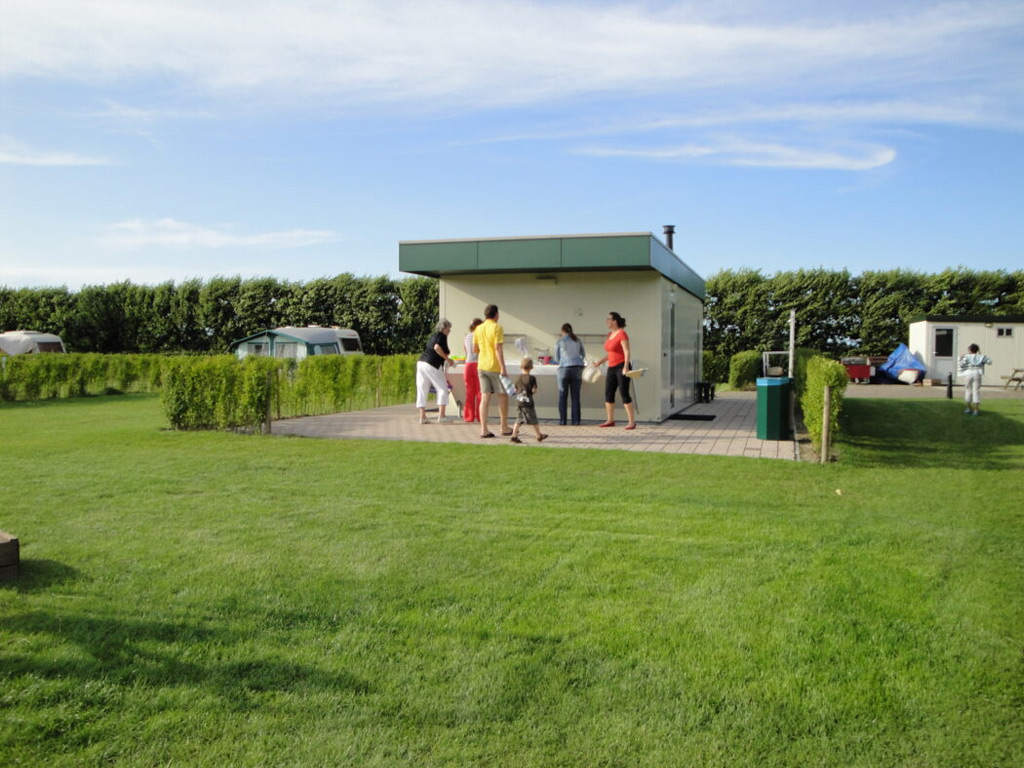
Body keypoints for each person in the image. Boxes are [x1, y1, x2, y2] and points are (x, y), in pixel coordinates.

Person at [591, 311, 636, 430]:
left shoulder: (622, 334)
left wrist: (626, 366)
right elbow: (610, 353)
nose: (607, 321)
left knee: (624, 393)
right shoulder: (609, 334)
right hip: (611, 367)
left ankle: (631, 422)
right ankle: (610, 420)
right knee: (608, 393)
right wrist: (599, 362)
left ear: (614, 321)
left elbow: (626, 351)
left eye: (608, 319)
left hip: (622, 366)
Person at [473, 304, 510, 438]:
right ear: (496, 314)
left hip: (481, 366)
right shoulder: (497, 327)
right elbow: (497, 348)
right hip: (494, 366)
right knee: (502, 396)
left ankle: (484, 429)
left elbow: (475, 350)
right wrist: (503, 367)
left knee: (485, 398)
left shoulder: (478, 328)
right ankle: (504, 426)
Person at [415, 319, 455, 424]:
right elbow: (437, 348)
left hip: (421, 363)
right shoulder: (442, 336)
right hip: (432, 364)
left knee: (422, 388)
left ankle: (422, 416)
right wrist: (448, 359)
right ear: (444, 328)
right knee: (442, 388)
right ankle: (441, 416)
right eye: (448, 328)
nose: (449, 331)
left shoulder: (433, 336)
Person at [553, 322, 586, 425]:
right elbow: (583, 355)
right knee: (575, 397)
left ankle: (563, 420)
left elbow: (557, 358)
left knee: (563, 395)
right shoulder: (578, 341)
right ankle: (576, 421)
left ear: (562, 331)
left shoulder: (560, 341)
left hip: (564, 369)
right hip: (577, 369)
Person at [510, 358, 548, 443]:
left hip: (519, 402)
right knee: (533, 419)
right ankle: (539, 435)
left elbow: (515, 390)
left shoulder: (518, 378)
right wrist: (532, 391)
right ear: (531, 367)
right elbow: (534, 390)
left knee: (519, 419)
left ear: (521, 367)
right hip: (528, 403)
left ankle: (514, 435)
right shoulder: (532, 378)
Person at [957, 343, 993, 416]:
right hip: (978, 373)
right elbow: (990, 362)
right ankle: (976, 410)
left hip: (969, 373)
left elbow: (961, 365)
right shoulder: (981, 357)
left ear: (970, 350)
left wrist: (960, 358)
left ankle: (968, 408)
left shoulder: (966, 357)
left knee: (968, 390)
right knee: (976, 391)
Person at [462, 318, 483, 422]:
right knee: (479, 392)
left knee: (469, 392)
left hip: (468, 364)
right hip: (478, 364)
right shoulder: (480, 336)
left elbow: (466, 351)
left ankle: (468, 417)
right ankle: (480, 416)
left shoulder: (466, 337)